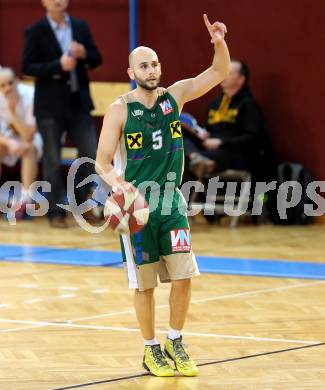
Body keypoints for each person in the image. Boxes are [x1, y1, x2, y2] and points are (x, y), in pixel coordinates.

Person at [96, 14, 230, 377]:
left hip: (172, 203)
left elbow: (218, 73)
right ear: (131, 72)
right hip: (138, 209)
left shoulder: (176, 96)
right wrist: (119, 185)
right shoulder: (120, 109)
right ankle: (150, 349)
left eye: (154, 64)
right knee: (146, 284)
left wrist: (218, 42)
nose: (152, 70)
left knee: (184, 276)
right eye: (144, 65)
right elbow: (101, 162)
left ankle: (176, 340)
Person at [22, 0, 102, 228]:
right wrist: (58, 65)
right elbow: (27, 67)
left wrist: (85, 52)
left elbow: (97, 59)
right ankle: (55, 211)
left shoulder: (80, 26)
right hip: (49, 106)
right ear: (44, 2)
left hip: (78, 102)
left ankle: (79, 204)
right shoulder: (35, 30)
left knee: (90, 153)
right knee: (52, 160)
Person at [184, 59, 265, 178]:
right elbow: (209, 129)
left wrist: (221, 143)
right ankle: (196, 157)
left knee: (189, 161)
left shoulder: (249, 105)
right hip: (208, 150)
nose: (224, 76)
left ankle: (197, 159)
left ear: (241, 79)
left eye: (229, 72)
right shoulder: (215, 104)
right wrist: (204, 134)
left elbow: (252, 139)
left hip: (233, 153)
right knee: (177, 134)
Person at [0, 67, 43, 219]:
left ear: (17, 81)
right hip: (10, 137)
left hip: (35, 136)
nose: (7, 88)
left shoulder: (30, 95)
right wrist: (9, 143)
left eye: (10, 83)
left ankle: (25, 200)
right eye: (2, 86)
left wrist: (12, 112)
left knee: (28, 148)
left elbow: (28, 135)